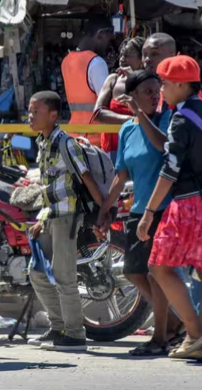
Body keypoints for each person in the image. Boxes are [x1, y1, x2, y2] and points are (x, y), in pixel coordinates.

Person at [138, 55, 202, 361]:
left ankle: (194, 333)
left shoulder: (182, 118)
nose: (161, 90)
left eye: (165, 83)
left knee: (159, 266)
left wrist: (149, 212)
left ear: (182, 84)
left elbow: (170, 171)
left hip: (189, 206)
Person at [96, 71, 184, 356]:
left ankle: (160, 337)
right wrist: (104, 208)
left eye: (156, 90)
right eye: (147, 91)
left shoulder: (166, 120)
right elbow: (121, 177)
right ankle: (173, 322)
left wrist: (140, 114)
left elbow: (162, 145)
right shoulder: (127, 130)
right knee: (134, 271)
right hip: (138, 211)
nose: (155, 95)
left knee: (157, 275)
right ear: (131, 96)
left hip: (163, 210)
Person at [26, 91, 104, 352]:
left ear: (53, 115)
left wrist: (104, 210)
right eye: (30, 110)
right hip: (50, 217)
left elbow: (86, 179)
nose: (30, 115)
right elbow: (51, 186)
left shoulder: (66, 143)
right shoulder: (43, 142)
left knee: (64, 277)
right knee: (36, 273)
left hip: (67, 218)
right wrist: (41, 219)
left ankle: (75, 335)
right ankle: (58, 326)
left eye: (36, 111)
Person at [61, 17, 114, 146]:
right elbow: (107, 101)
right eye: (108, 39)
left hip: (73, 135)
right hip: (94, 138)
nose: (108, 45)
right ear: (100, 35)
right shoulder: (96, 62)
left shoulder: (66, 60)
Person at [95, 37, 146, 158]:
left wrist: (134, 78)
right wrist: (132, 120)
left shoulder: (149, 82)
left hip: (139, 146)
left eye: (128, 55)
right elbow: (98, 113)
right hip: (112, 149)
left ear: (141, 59)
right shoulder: (113, 80)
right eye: (122, 54)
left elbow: (150, 113)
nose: (122, 59)